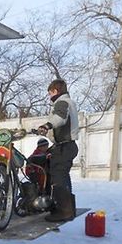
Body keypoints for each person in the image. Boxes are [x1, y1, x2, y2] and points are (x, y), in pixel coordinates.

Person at [37, 78, 79, 222]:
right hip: (66, 146)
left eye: (50, 93)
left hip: (64, 146)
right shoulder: (69, 102)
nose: (49, 96)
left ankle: (64, 211)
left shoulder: (62, 102)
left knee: (58, 178)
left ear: (55, 91)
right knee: (63, 177)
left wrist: (47, 126)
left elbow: (60, 118)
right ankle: (69, 209)